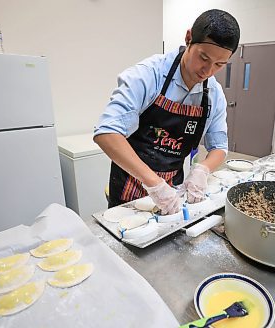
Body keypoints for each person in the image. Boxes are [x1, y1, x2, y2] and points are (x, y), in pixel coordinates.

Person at [94, 9, 240, 214]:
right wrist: (154, 184)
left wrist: (202, 170)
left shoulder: (213, 94)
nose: (207, 71)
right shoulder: (148, 75)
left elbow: (219, 147)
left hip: (173, 190)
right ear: (189, 38)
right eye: (203, 58)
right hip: (130, 186)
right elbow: (106, 134)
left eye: (219, 64)